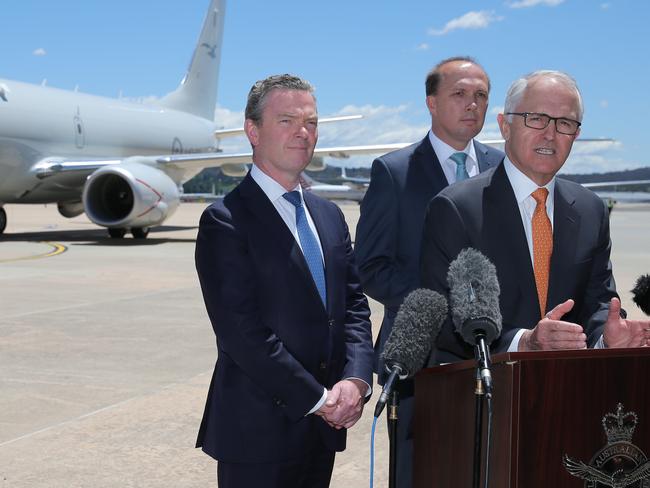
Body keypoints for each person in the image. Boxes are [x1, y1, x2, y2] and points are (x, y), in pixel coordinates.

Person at [194, 74, 374, 488]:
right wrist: (318, 399)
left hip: (323, 430)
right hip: (258, 433)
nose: (303, 132)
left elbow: (353, 306)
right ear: (252, 130)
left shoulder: (328, 215)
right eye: (287, 120)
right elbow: (242, 334)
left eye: (311, 122)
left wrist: (356, 379)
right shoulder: (225, 220)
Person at [421, 70, 650, 364]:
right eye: (537, 118)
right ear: (505, 125)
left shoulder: (591, 210)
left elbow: (598, 303)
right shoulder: (456, 208)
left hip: (568, 391)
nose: (550, 134)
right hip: (485, 394)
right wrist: (523, 342)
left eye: (564, 123)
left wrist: (607, 338)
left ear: (576, 135)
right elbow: (443, 320)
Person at [354, 56, 504, 488]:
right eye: (459, 94)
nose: (471, 104)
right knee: (417, 473)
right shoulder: (393, 172)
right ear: (431, 103)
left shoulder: (504, 168)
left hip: (495, 352)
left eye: (480, 96)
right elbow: (371, 266)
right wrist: (440, 305)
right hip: (418, 358)